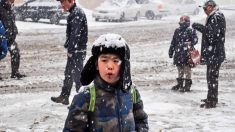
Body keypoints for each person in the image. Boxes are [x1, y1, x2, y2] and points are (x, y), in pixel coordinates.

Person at [63, 33, 149, 131]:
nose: (110, 66)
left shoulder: (132, 92)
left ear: (124, 65)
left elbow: (141, 120)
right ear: (96, 64)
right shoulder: (86, 97)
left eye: (116, 61)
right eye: (104, 60)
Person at [51, 0, 88, 105]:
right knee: (68, 73)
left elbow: (75, 34)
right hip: (76, 49)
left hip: (77, 50)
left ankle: (82, 101)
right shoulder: (74, 12)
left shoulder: (77, 13)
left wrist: (71, 49)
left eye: (63, 2)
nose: (62, 4)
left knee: (77, 76)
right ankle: (64, 96)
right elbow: (72, 33)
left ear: (71, 1)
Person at [192, 0, 226, 108]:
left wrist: (199, 27)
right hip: (213, 53)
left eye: (205, 8)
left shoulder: (216, 16)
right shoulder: (214, 16)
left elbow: (212, 35)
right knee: (210, 77)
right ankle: (210, 97)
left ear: (210, 7)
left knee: (212, 78)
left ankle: (212, 101)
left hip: (215, 53)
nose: (204, 11)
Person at [169, 15, 198, 92]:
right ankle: (180, 84)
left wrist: (189, 42)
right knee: (180, 69)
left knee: (187, 69)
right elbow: (173, 42)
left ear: (187, 21)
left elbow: (195, 40)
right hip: (178, 53)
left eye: (183, 20)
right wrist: (171, 51)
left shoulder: (190, 30)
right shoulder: (177, 30)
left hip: (187, 53)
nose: (181, 22)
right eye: (180, 20)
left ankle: (187, 85)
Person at [0, 0, 26, 79]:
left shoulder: (10, 9)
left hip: (10, 36)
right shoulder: (0, 8)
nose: (11, 3)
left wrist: (14, 30)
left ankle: (15, 72)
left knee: (15, 52)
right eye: (10, 1)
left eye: (12, 1)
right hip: (2, 37)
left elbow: (11, 21)